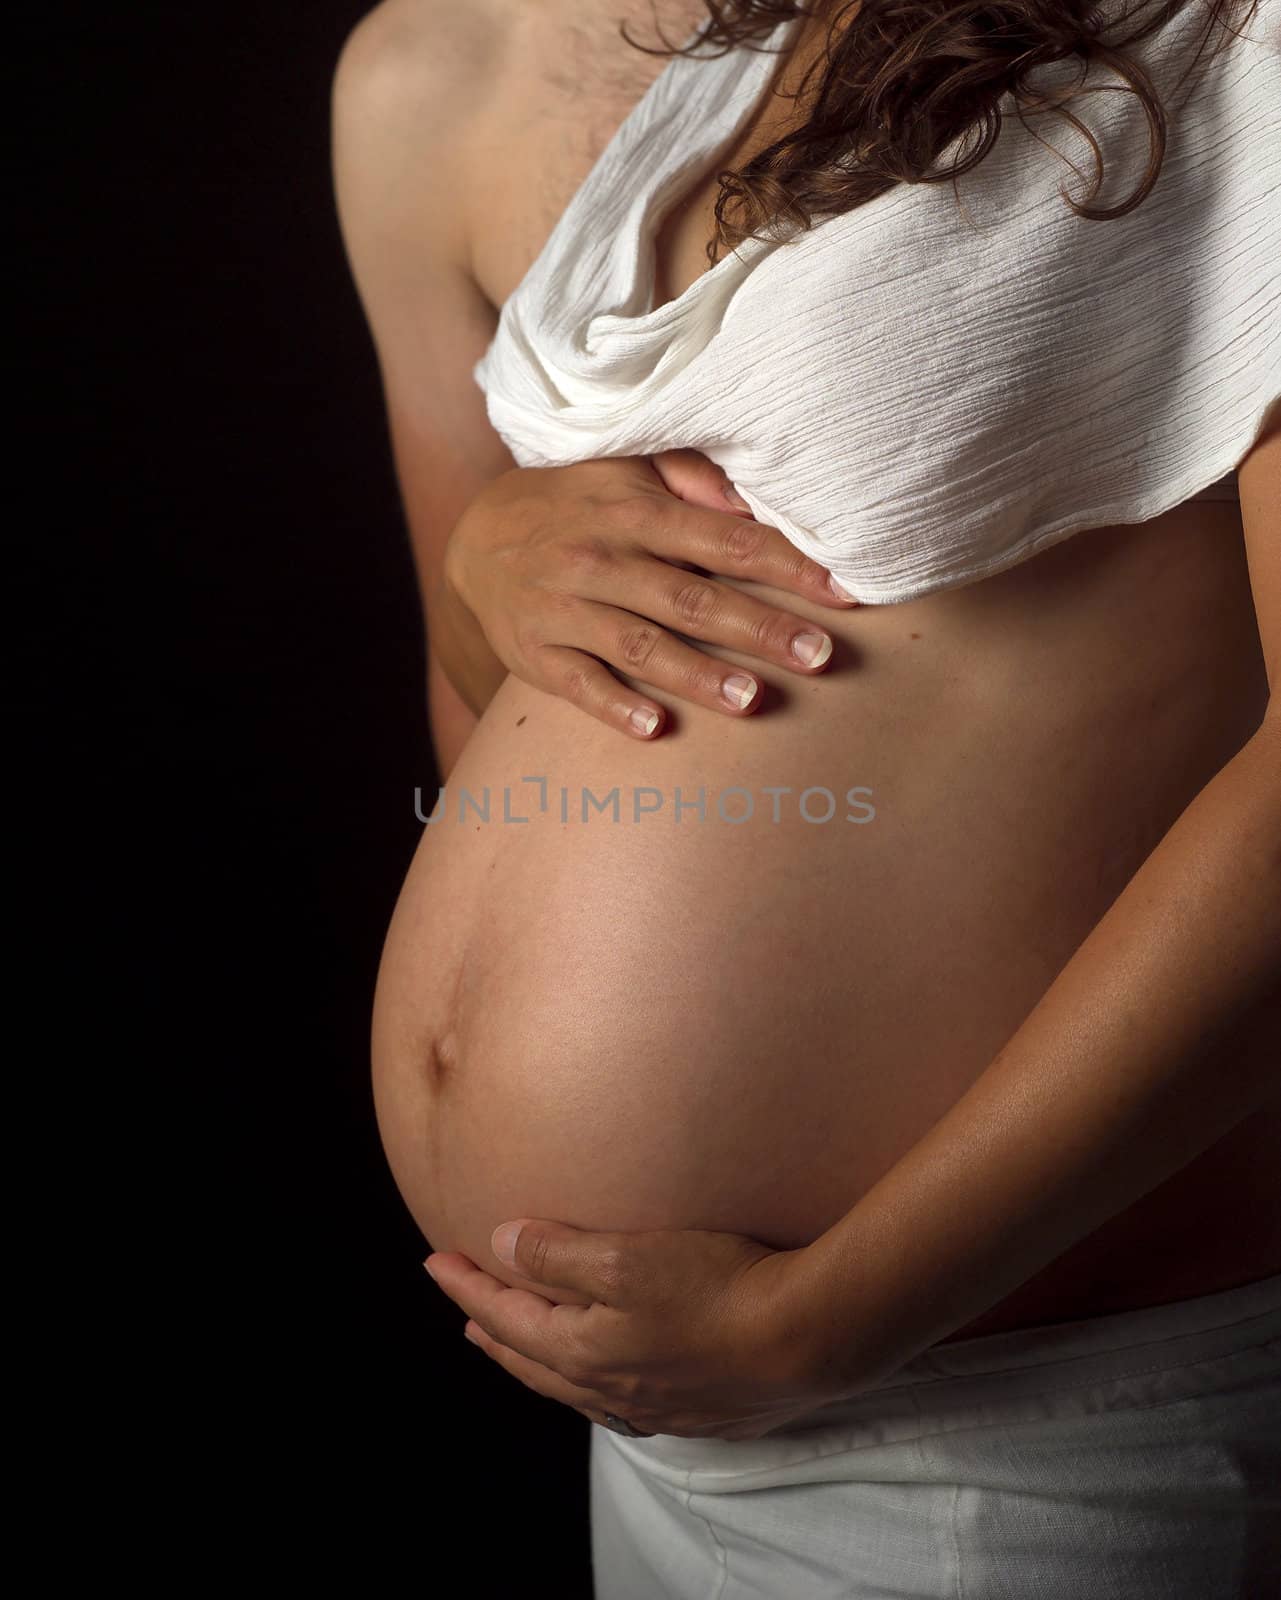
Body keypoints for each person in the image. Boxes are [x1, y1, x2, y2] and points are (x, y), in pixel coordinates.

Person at [333, 1, 1281, 1594]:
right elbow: (509, 706)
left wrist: (826, 1316)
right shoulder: (587, 66)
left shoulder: (1228, 48)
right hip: (656, 1417)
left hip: (1012, 1418)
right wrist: (480, 555)